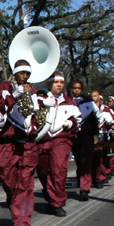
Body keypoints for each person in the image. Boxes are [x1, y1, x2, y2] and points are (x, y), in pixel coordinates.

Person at [0, 59, 39, 226]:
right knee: (9, 182)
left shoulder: (32, 89)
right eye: (23, 73)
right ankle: (16, 206)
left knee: (25, 184)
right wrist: (16, 94)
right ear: (15, 73)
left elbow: (35, 112)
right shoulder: (4, 87)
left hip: (27, 143)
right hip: (6, 143)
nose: (26, 76)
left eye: (28, 73)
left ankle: (22, 223)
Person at [35, 73, 80, 217]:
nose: (59, 85)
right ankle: (50, 198)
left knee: (58, 170)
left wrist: (69, 124)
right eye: (56, 82)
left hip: (61, 139)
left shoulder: (69, 102)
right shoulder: (40, 98)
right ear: (49, 84)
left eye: (61, 82)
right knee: (43, 171)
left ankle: (57, 203)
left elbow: (77, 120)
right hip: (42, 139)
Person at [69, 81, 101, 201]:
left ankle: (84, 189)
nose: (77, 90)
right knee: (78, 160)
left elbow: (94, 119)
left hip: (87, 135)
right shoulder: (68, 101)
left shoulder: (88, 102)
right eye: (74, 88)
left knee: (86, 161)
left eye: (79, 88)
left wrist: (95, 134)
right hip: (75, 136)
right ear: (71, 89)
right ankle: (80, 181)